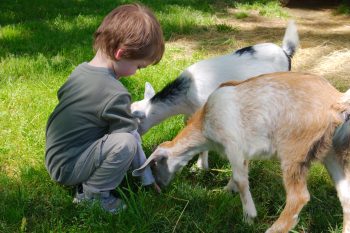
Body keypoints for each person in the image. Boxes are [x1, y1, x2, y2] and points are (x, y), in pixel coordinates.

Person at [45, 3, 164, 214]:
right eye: (138, 66)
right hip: (70, 168)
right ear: (121, 53)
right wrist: (147, 178)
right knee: (125, 141)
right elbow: (131, 139)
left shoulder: (80, 71)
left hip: (56, 157)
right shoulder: (115, 93)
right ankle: (93, 196)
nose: (137, 72)